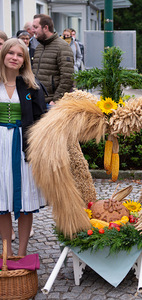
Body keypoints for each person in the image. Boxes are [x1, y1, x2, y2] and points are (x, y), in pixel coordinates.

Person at [0, 38, 46, 256]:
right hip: (0, 146)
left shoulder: (32, 86)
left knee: (25, 198)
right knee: (1, 197)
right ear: (4, 55)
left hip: (23, 146)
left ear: (24, 60)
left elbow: (40, 120)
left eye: (19, 55)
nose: (14, 58)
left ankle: (22, 252)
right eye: (11, 53)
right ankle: (7, 251)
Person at [32, 14, 74, 104]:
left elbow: (68, 77)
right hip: (37, 101)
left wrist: (56, 100)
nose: (32, 30)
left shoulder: (62, 47)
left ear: (45, 28)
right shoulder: (39, 47)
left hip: (51, 104)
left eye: (35, 27)